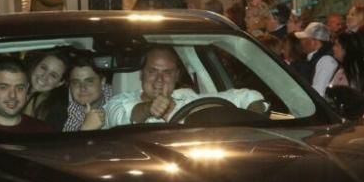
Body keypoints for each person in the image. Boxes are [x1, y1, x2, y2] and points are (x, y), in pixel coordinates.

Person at [105, 45, 267, 126]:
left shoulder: (188, 98)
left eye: (167, 73)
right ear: (141, 73)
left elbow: (248, 96)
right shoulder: (119, 101)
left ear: (176, 76)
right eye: (152, 71)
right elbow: (120, 119)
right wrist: (149, 108)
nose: (159, 79)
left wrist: (253, 124)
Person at [0, 60, 53, 132]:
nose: (12, 95)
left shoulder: (43, 130)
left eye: (20, 88)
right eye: (3, 87)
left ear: (27, 90)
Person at [63, 55, 112, 132]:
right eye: (76, 82)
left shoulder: (117, 99)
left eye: (89, 81)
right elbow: (68, 142)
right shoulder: (73, 109)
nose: (82, 88)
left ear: (102, 82)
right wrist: (86, 128)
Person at [24, 51, 69, 126]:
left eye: (53, 75)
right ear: (35, 65)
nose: (44, 76)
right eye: (43, 68)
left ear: (59, 83)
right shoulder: (12, 86)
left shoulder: (56, 111)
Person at [295, 22, 338, 95]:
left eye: (304, 39)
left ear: (313, 42)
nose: (301, 42)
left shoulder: (326, 61)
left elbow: (318, 92)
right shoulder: (314, 58)